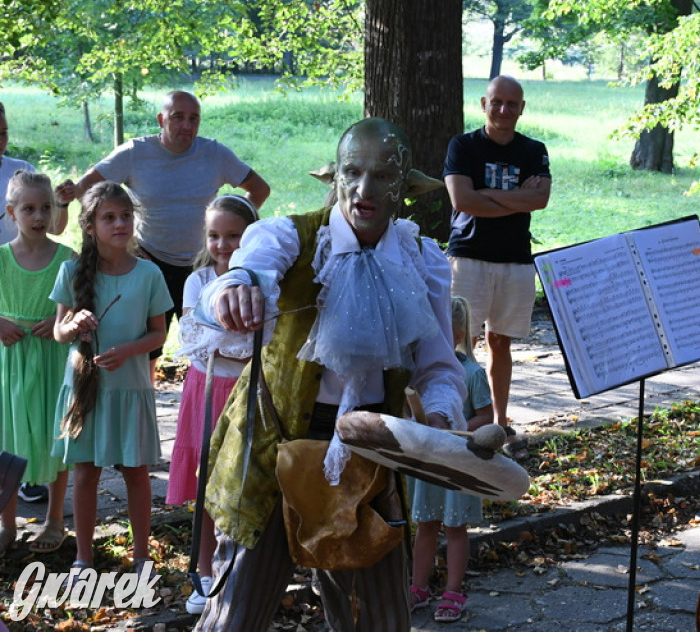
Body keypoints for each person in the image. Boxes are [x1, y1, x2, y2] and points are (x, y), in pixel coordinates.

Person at [191, 118, 467, 631]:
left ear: (405, 188)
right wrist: (234, 286)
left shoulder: (420, 259)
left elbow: (437, 367)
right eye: (353, 172)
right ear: (335, 176)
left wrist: (444, 419)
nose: (365, 189)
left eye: (383, 176)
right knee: (235, 616)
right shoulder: (288, 238)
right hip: (273, 451)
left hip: (367, 455)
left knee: (376, 622)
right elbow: (248, 269)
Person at [57, 90, 270, 380]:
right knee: (148, 349)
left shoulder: (215, 154)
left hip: (204, 266)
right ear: (161, 119)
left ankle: (211, 411)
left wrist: (230, 227)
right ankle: (145, 407)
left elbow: (260, 189)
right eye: (177, 117)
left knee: (212, 346)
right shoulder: (135, 153)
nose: (186, 125)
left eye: (193, 118)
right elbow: (86, 190)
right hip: (150, 260)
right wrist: (119, 237)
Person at [51, 181, 172, 571]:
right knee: (85, 472)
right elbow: (58, 332)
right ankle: (83, 559)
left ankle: (141, 558)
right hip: (85, 389)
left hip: (130, 387)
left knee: (136, 472)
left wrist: (128, 351)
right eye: (109, 217)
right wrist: (74, 324)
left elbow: (159, 333)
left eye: (125, 216)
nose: (120, 223)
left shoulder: (149, 274)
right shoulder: (71, 271)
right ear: (90, 226)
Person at [444, 74, 551, 459]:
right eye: (497, 102)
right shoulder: (463, 146)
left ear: (521, 108)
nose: (504, 110)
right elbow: (462, 199)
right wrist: (514, 197)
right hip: (469, 255)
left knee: (500, 342)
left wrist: (486, 193)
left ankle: (500, 424)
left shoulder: (533, 150)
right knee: (461, 344)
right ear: (483, 104)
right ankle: (459, 422)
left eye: (512, 103)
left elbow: (540, 201)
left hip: (514, 259)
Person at [165, 194, 259, 613]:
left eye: (234, 235)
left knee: (241, 481)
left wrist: (234, 342)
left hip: (248, 392)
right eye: (215, 235)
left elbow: (260, 343)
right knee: (204, 484)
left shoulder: (262, 281)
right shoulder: (198, 281)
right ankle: (203, 571)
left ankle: (241, 569)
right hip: (205, 392)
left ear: (251, 236)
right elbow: (196, 342)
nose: (223, 245)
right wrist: (233, 341)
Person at [0, 171, 73, 557]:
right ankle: (7, 524)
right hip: (9, 361)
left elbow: (82, 301)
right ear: (11, 212)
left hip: (51, 360)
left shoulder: (66, 258)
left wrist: (62, 318)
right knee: (8, 442)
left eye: (46, 207)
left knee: (54, 437)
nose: (38, 216)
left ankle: (55, 518)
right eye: (29, 208)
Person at [409, 295, 493, 623]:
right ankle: (419, 587)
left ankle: (454, 590)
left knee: (455, 528)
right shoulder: (420, 373)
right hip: (428, 464)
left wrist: (455, 430)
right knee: (425, 525)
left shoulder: (472, 373)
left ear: (456, 335)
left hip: (459, 464)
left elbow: (487, 416)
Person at [0, 102, 69, 245]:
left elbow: (54, 227)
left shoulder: (21, 172)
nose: (1, 140)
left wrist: (61, 204)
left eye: (4, 132)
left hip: (19, 265)